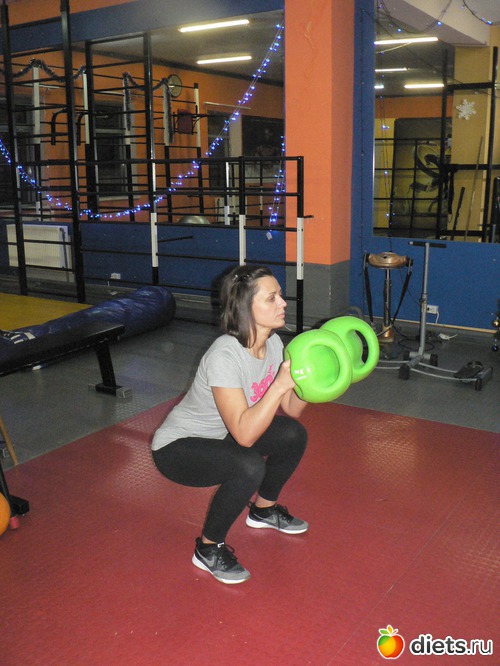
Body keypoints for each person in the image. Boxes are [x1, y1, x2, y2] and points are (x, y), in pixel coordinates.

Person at [152, 264, 309, 584]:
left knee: (293, 435)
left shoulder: (274, 344)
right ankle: (208, 548)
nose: (283, 303)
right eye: (272, 298)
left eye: (280, 295)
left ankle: (264, 510)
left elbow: (292, 409)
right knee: (249, 465)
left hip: (225, 435)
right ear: (246, 307)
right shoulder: (224, 355)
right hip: (178, 448)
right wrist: (279, 385)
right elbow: (245, 435)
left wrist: (315, 384)